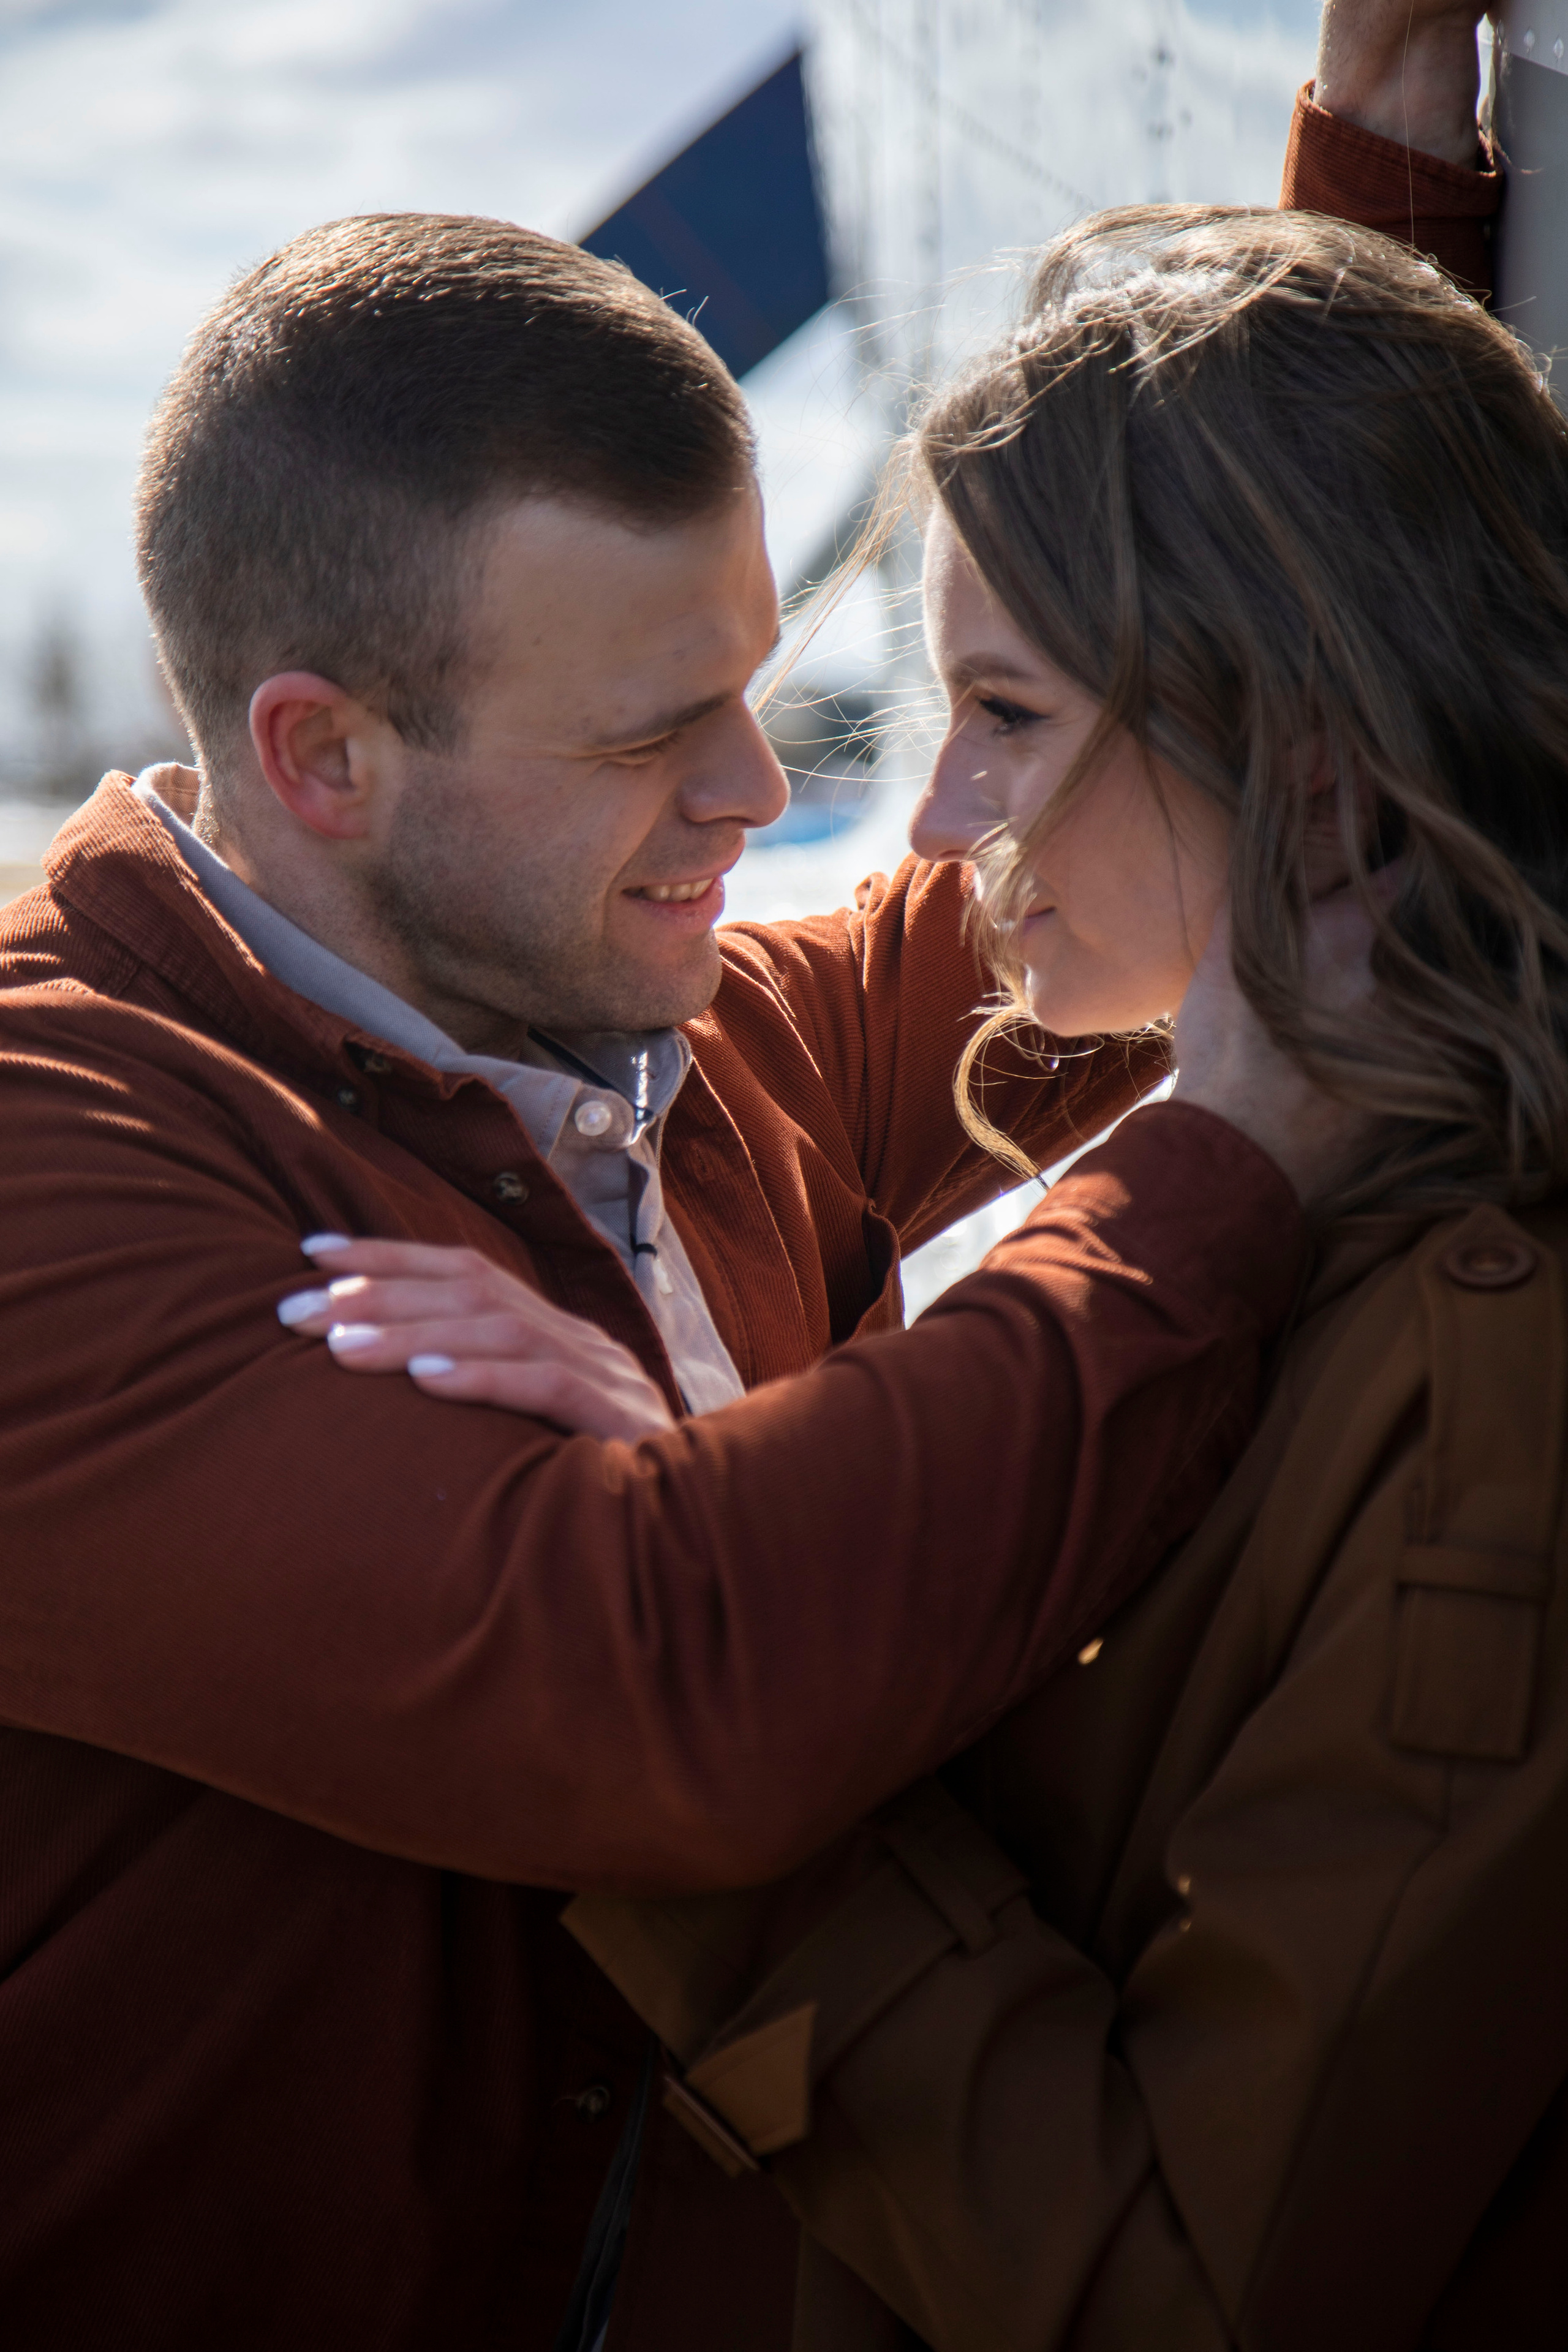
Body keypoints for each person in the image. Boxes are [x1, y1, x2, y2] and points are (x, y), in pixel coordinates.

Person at [0, 188, 1384, 2352]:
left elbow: (1139, 807)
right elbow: (659, 1706)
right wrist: (1224, 1170)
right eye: (655, 736)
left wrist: (1391, 173)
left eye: (753, 682)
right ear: (320, 758)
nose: (764, 791)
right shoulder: (52, 1167)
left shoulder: (667, 1008)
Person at [514, 48, 1568, 2352]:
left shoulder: (1482, 1399)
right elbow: (1317, 499)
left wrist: (708, 1770)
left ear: (1289, 739)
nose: (929, 827)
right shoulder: (1319, 1195)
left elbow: (1194, 2290)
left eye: (1000, 711)